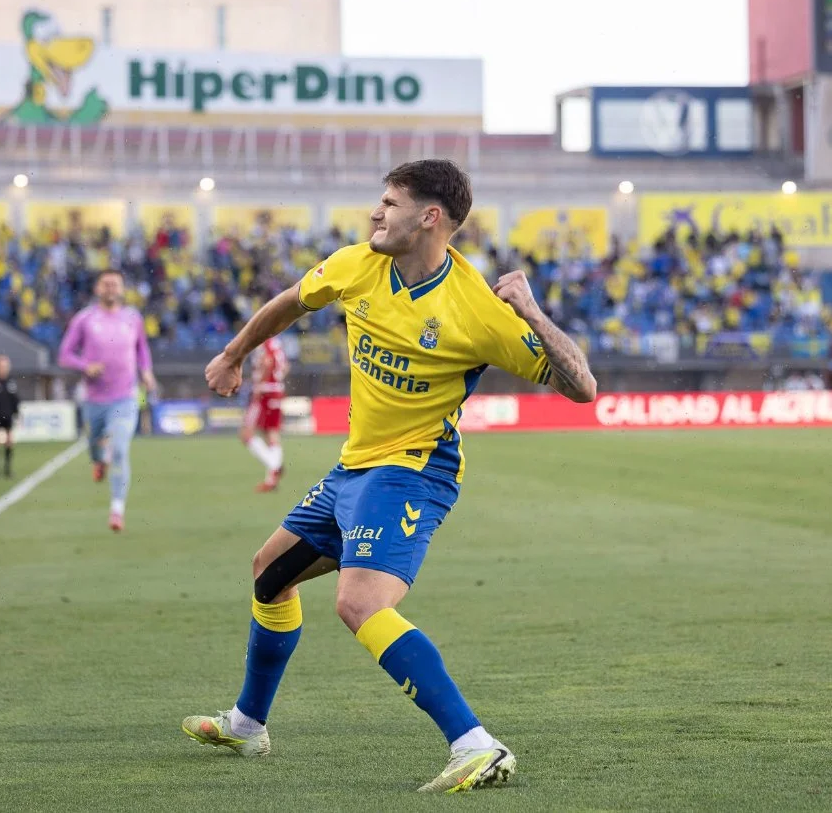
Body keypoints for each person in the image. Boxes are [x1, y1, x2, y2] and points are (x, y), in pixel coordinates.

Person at [181, 160, 597, 793]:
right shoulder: (356, 265)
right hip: (355, 465)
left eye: (390, 202)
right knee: (270, 574)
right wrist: (233, 354)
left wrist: (533, 313)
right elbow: (291, 303)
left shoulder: (479, 311)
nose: (376, 212)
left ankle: (475, 744)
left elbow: (583, 387)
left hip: (414, 470)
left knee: (358, 602)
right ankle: (247, 724)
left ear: (430, 217)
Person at [57, 269, 156, 532]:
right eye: (106, 284)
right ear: (97, 288)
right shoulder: (85, 319)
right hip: (94, 399)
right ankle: (98, 461)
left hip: (125, 397)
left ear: (122, 289)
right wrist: (85, 366)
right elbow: (65, 354)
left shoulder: (133, 318)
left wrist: (146, 371)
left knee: (121, 448)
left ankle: (117, 509)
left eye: (115, 284)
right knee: (95, 445)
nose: (111, 288)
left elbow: (141, 349)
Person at [239, 337, 288, 492]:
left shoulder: (265, 342)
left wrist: (260, 384)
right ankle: (272, 478)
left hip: (265, 392)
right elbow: (285, 367)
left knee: (246, 433)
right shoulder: (277, 343)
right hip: (277, 390)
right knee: (271, 433)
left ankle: (275, 465)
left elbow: (267, 362)